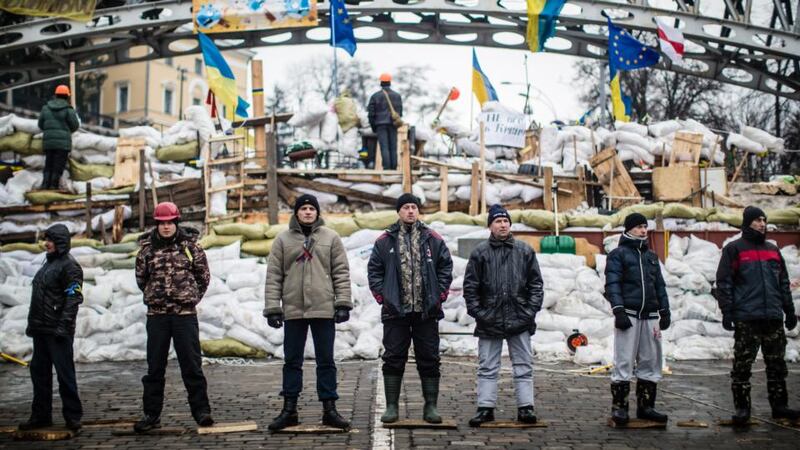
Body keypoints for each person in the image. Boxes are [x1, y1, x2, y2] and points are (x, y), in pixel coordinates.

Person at [264, 194, 353, 431]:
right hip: (294, 310)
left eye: (311, 208)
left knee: (326, 361)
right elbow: (274, 275)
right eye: (303, 209)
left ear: (317, 212)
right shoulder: (283, 240)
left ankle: (329, 410)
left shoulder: (330, 238)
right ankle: (289, 410)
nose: (307, 212)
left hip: (323, 309)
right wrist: (273, 308)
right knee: (292, 361)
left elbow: (341, 272)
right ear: (296, 213)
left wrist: (343, 303)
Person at [368, 193, 453, 424]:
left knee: (430, 358)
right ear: (398, 211)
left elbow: (445, 267)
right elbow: (374, 271)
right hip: (396, 311)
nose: (410, 211)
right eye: (405, 207)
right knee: (393, 357)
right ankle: (392, 406)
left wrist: (439, 296)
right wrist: (384, 297)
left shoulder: (432, 238)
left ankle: (430, 406)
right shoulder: (385, 240)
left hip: (426, 311)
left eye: (414, 207)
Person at [133, 201, 213, 432]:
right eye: (162, 223)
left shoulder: (191, 248)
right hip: (157, 316)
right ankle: (151, 414)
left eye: (170, 223)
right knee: (154, 368)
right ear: (156, 225)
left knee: (192, 366)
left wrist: (189, 297)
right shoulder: (147, 250)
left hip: (184, 316)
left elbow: (203, 276)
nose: (166, 227)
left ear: (176, 223)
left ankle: (202, 412)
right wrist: (156, 296)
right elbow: (141, 279)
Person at [715, 206, 799, 425]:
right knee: (742, 367)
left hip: (772, 317)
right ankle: (742, 409)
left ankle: (779, 406)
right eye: (757, 220)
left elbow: (783, 283)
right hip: (747, 318)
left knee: (777, 365)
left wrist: (789, 311)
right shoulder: (734, 249)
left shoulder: (773, 250)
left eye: (764, 220)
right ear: (747, 223)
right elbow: (724, 283)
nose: (762, 224)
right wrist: (727, 311)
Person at [464, 205, 544, 427]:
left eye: (505, 221)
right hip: (489, 320)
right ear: (490, 226)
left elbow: (536, 285)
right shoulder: (480, 253)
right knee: (487, 367)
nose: (503, 225)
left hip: (520, 319)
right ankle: (485, 408)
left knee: (524, 365)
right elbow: (470, 288)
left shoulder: (524, 251)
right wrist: (480, 313)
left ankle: (526, 408)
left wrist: (529, 312)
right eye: (498, 221)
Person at [604, 213, 671, 425]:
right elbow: (612, 284)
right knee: (624, 360)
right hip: (629, 315)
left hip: (650, 315)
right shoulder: (618, 255)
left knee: (651, 360)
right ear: (629, 229)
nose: (643, 231)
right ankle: (620, 408)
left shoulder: (651, 257)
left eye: (645, 226)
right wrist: (619, 310)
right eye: (639, 227)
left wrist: (665, 310)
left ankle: (646, 407)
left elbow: (659, 285)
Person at [20, 224, 83, 432]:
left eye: (51, 240)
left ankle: (73, 416)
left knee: (65, 375)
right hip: (41, 330)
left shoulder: (70, 266)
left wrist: (63, 327)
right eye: (46, 239)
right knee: (39, 374)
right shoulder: (47, 264)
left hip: (57, 331)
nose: (47, 244)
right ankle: (41, 416)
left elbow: (73, 298)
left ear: (61, 242)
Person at [38, 85, 80, 190]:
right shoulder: (68, 110)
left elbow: (40, 124)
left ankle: (45, 185)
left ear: (56, 95)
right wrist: (66, 131)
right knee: (58, 165)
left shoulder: (45, 108)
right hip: (62, 144)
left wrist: (49, 131)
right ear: (67, 96)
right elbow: (75, 125)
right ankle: (53, 186)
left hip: (48, 143)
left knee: (48, 163)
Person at [367, 73, 402, 170]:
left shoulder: (375, 96)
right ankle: (394, 168)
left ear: (381, 83)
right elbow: (400, 113)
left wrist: (373, 127)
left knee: (384, 147)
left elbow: (371, 114)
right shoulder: (397, 96)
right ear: (390, 82)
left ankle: (387, 168)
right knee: (393, 147)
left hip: (380, 125)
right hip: (393, 124)